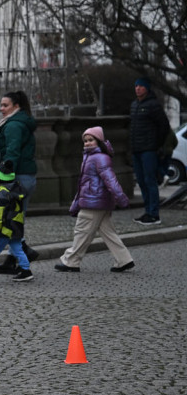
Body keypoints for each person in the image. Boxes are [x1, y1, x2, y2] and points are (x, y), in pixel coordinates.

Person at [55, 127, 134, 273]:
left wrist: (121, 197)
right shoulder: (92, 157)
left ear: (99, 141)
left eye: (91, 140)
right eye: (85, 141)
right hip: (98, 201)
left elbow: (111, 180)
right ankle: (124, 260)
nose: (87, 143)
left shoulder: (99, 158)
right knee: (108, 232)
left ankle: (71, 261)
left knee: (82, 231)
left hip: (94, 201)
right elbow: (84, 183)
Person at [0, 90, 38, 273]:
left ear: (16, 106)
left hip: (16, 178)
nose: (1, 108)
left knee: (4, 219)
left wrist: (3, 178)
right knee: (15, 219)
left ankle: (23, 252)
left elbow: (12, 154)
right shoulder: (21, 122)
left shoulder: (13, 125)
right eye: (1, 105)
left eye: (5, 105)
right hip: (26, 176)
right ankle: (12, 261)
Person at [129, 77, 169, 226]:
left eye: (141, 86)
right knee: (141, 181)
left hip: (148, 150)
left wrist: (156, 144)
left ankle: (154, 213)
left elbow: (164, 126)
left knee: (150, 180)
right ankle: (147, 211)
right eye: (136, 86)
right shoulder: (134, 105)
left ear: (147, 88)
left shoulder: (153, 105)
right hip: (137, 149)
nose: (138, 88)